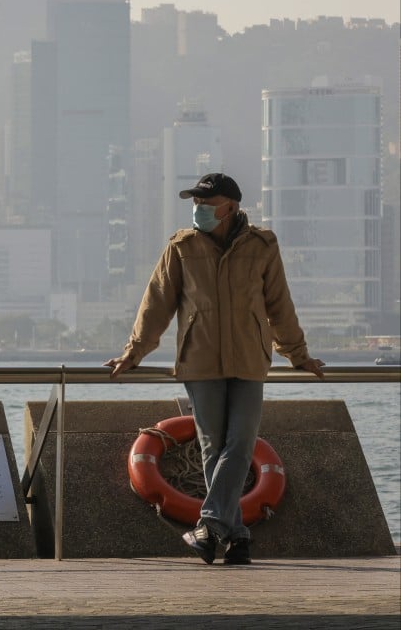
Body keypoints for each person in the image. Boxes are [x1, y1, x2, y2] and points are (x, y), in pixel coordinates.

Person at [104, 172, 324, 565]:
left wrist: (298, 353)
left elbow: (279, 304)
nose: (199, 211)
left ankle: (209, 526)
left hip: (249, 360)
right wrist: (134, 351)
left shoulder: (262, 245)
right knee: (212, 448)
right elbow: (157, 303)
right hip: (200, 360)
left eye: (207, 205)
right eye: (195, 204)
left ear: (231, 207)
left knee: (240, 442)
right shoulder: (181, 246)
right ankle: (236, 538)